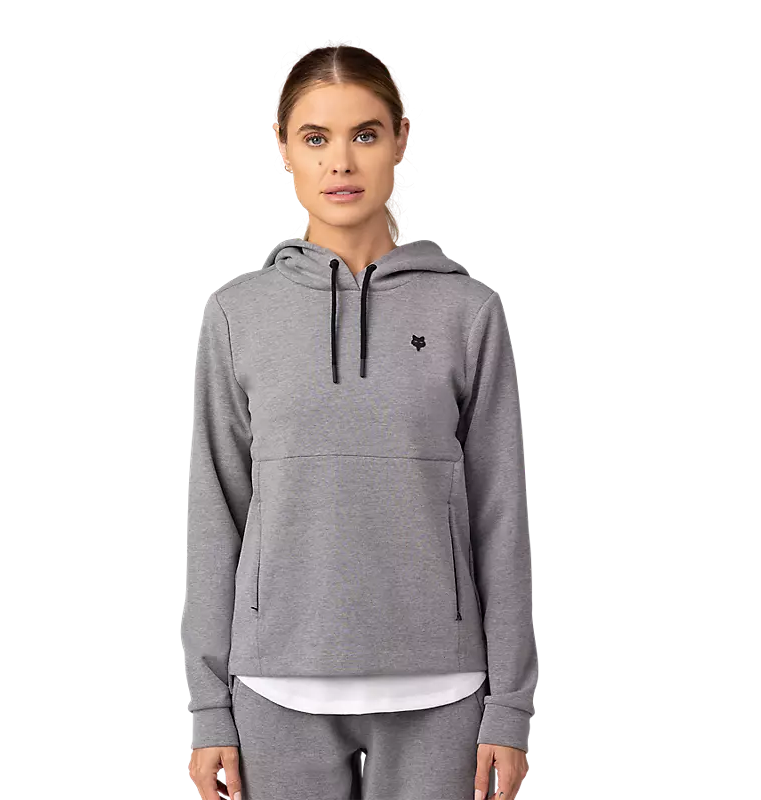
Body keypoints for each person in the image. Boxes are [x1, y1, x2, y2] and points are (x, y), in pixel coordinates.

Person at [181, 35, 539, 800]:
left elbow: (501, 516)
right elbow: (216, 514)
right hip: (276, 687)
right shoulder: (238, 314)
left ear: (401, 140)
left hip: (443, 689)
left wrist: (510, 707)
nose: (340, 162)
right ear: (283, 149)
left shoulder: (468, 312)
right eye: (316, 138)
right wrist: (209, 707)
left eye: (365, 135)